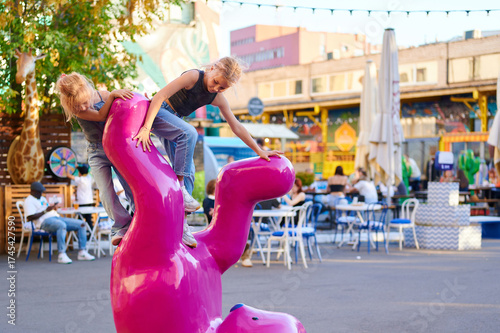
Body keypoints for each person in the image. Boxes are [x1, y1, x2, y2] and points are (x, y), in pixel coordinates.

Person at [133, 57, 282, 240]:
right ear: (212, 69)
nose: (216, 88)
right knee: (190, 133)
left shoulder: (217, 98)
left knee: (190, 171)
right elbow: (160, 96)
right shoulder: (193, 77)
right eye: (215, 82)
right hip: (159, 112)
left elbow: (236, 126)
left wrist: (259, 150)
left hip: (176, 121)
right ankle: (179, 186)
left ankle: (181, 227)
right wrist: (146, 128)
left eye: (222, 88)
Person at [56, 73, 197, 248]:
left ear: (87, 89)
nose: (84, 107)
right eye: (79, 105)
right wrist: (114, 95)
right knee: (106, 192)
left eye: (85, 102)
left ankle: (144, 222)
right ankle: (121, 225)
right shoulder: (81, 109)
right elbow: (100, 115)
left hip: (117, 147)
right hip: (97, 151)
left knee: (130, 188)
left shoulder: (104, 95)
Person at [24, 182, 95, 264]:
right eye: (39, 192)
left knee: (82, 224)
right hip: (43, 223)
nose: (41, 193)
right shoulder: (29, 201)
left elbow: (46, 209)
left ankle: (82, 252)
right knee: (61, 225)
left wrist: (52, 208)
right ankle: (61, 254)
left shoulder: (42, 198)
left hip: (56, 218)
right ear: (33, 191)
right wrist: (45, 210)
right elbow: (30, 217)